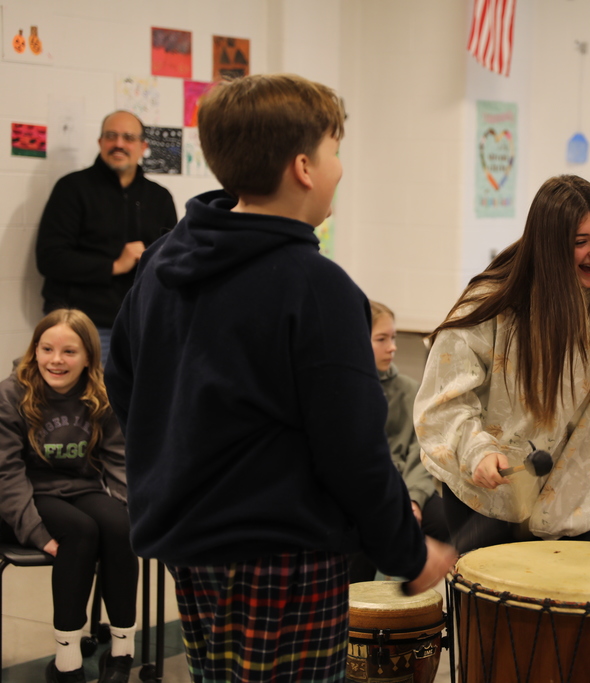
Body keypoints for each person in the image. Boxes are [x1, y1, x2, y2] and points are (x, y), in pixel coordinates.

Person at [103, 74, 455, 682]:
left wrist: (183, 471)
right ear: (303, 168)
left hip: (193, 546)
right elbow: (353, 451)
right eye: (333, 150)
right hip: (282, 557)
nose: (340, 168)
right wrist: (407, 551)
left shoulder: (164, 260)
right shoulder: (318, 289)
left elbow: (126, 384)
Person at [415, 174, 590, 554]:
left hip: (565, 496)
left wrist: (555, 511)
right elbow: (445, 401)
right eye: (580, 241)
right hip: (484, 493)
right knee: (490, 609)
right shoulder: (491, 302)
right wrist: (478, 452)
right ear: (548, 246)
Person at [0, 309, 137, 683]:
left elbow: (117, 460)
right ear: (35, 351)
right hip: (29, 496)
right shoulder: (12, 393)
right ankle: (67, 663)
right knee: (81, 531)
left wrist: (130, 509)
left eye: (69, 352)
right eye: (47, 349)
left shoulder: (102, 393)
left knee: (119, 525)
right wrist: (35, 532)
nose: (56, 360)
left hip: (82, 488)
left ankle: (122, 654)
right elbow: (6, 474)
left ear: (89, 357)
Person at [36, 110, 178, 361]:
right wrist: (114, 265)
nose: (119, 144)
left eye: (128, 137)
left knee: (135, 401)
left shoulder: (160, 197)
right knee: (85, 401)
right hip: (81, 326)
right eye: (111, 136)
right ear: (100, 142)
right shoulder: (72, 189)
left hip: (140, 324)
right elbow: (50, 258)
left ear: (143, 146)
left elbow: (171, 261)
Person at [349, 301, 450, 582]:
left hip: (410, 486)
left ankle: (429, 606)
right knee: (359, 534)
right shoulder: (347, 391)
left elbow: (422, 450)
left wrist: (413, 499)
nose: (392, 347)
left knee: (445, 521)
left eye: (393, 338)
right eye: (382, 339)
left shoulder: (408, 389)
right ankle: (360, 612)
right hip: (372, 493)